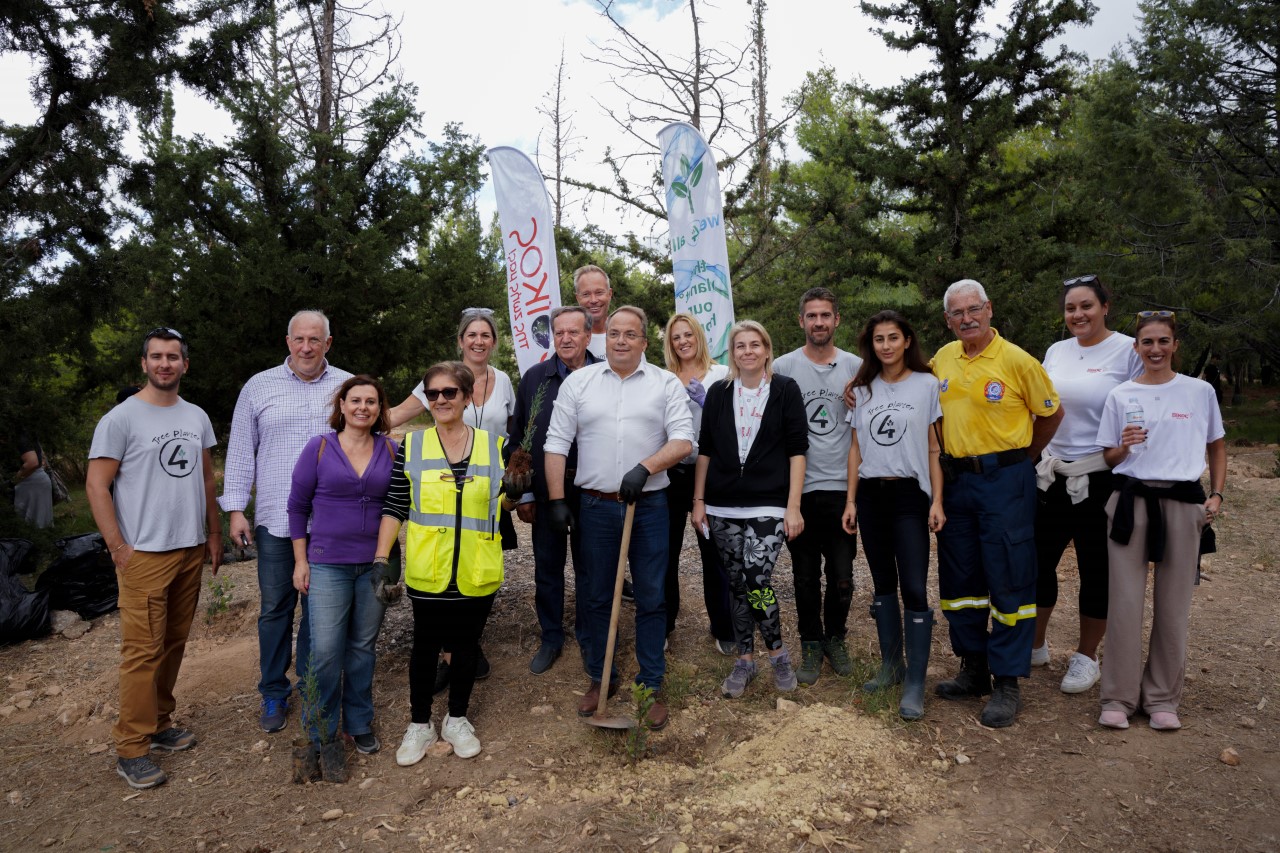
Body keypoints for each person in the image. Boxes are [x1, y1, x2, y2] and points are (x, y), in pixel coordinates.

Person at [543, 306, 693, 729]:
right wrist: (557, 499)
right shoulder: (579, 382)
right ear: (602, 338)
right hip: (595, 506)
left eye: (631, 335)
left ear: (644, 342)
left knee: (651, 595)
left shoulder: (665, 384)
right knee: (595, 595)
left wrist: (645, 467)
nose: (621, 341)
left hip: (649, 507)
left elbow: (683, 439)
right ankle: (599, 677)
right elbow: (556, 444)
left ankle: (649, 685)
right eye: (614, 334)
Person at [85, 327, 220, 789]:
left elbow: (204, 480)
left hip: (188, 549)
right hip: (143, 553)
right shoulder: (121, 419)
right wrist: (117, 547)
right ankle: (131, 747)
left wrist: (213, 533)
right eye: (157, 357)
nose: (165, 364)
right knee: (141, 652)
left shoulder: (196, 416)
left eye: (174, 357)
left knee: (174, 643)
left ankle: (161, 723)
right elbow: (96, 485)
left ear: (185, 364)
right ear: (143, 364)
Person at [931, 279, 1063, 728]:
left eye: (973, 310)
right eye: (957, 314)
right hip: (956, 483)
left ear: (989, 309)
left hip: (1006, 482)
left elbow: (1050, 414)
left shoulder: (1017, 360)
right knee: (961, 577)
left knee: (1010, 576)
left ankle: (1007, 679)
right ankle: (973, 667)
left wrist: (1022, 460)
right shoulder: (943, 359)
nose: (966, 319)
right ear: (947, 320)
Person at [376, 362, 516, 765]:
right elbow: (396, 505)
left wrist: (517, 492)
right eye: (432, 394)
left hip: (477, 566)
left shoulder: (496, 446)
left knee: (466, 644)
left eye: (449, 393)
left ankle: (457, 718)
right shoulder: (413, 446)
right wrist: (380, 560)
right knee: (424, 645)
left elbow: (503, 503)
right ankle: (419, 724)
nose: (440, 400)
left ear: (466, 397)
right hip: (430, 567)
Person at [220, 310, 353, 734]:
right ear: (288, 341)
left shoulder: (346, 386)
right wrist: (236, 508)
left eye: (315, 340)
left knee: (321, 612)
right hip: (277, 519)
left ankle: (313, 686)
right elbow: (241, 450)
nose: (307, 347)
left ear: (328, 343)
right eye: (299, 339)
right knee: (276, 608)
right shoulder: (259, 387)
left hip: (331, 522)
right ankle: (274, 691)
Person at [1096, 311, 1225, 731]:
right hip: (1131, 499)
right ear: (1136, 347)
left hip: (1182, 502)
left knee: (1173, 606)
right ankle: (1118, 696)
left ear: (1174, 346)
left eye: (1163, 341)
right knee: (1125, 602)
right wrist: (1123, 446)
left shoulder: (1199, 391)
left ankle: (1162, 698)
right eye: (1147, 342)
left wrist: (1218, 493)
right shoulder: (1121, 395)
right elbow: (1108, 457)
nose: (1155, 349)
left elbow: (1216, 446)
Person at [388, 308, 512, 688]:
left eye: (485, 335)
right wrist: (357, 429)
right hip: (442, 490)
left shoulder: (504, 381)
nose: (478, 341)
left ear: (493, 341)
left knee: (477, 573)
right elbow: (393, 416)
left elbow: (515, 429)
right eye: (471, 335)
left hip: (485, 492)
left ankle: (467, 643)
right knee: (445, 567)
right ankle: (447, 655)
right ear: (460, 340)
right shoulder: (441, 380)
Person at [1032, 275, 1142, 694]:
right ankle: (1036, 644)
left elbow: (1145, 401)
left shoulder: (1127, 350)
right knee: (1039, 562)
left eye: (1086, 306)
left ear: (1105, 306)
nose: (1078, 315)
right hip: (1053, 473)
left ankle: (1085, 657)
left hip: (1103, 475)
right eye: (1071, 308)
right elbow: (1039, 404)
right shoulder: (1057, 351)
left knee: (1096, 569)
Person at [287, 375, 398, 771]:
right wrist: (301, 561)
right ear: (342, 405)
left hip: (375, 562)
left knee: (362, 647)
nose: (363, 407)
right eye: (356, 400)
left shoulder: (391, 449)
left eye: (371, 401)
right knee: (325, 651)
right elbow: (297, 507)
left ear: (380, 409)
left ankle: (358, 720)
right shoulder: (319, 448)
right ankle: (320, 730)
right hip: (327, 562)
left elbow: (400, 503)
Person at [692, 320, 807, 698]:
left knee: (757, 580)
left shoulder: (785, 390)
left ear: (767, 350)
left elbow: (797, 452)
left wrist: (793, 507)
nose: (747, 351)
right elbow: (705, 449)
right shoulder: (719, 392)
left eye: (755, 344)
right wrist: (699, 502)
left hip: (769, 504)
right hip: (723, 505)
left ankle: (777, 653)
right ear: (732, 353)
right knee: (737, 584)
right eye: (740, 346)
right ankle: (745, 659)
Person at [840, 311, 945, 720]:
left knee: (914, 586)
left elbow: (935, 449)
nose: (886, 346)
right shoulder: (862, 390)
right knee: (882, 582)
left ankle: (916, 681)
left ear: (907, 341)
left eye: (893, 338)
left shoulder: (927, 385)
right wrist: (850, 501)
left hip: (910, 496)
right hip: (870, 495)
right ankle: (891, 665)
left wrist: (937, 501)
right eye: (878, 339)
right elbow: (855, 448)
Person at [773, 287, 862, 685]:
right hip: (800, 492)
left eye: (826, 315)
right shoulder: (783, 368)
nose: (819, 323)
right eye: (812, 316)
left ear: (837, 320)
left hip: (843, 490)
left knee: (843, 576)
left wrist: (855, 497)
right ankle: (810, 642)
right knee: (804, 576)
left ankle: (836, 638)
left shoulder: (858, 368)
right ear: (801, 321)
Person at [508, 306, 600, 674]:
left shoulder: (606, 375)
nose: (564, 338)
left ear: (588, 336)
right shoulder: (535, 378)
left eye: (573, 332)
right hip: (547, 491)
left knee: (592, 567)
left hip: (594, 490)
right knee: (547, 567)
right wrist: (526, 494)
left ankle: (589, 634)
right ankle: (551, 637)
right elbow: (518, 441)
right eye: (558, 332)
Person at [662, 313, 734, 654]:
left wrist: (713, 404)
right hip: (673, 474)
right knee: (666, 552)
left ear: (699, 337)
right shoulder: (663, 379)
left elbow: (740, 421)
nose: (683, 341)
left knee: (714, 553)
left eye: (688, 334)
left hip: (713, 474)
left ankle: (723, 626)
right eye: (676, 337)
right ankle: (663, 624)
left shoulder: (722, 374)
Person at [13, 432, 53, 529]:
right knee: (38, 526)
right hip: (37, 481)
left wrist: (12, 481)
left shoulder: (19, 435)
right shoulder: (28, 433)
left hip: (31, 483)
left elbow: (32, 462)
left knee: (34, 527)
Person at [573, 264, 614, 359]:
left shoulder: (628, 337)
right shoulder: (564, 342)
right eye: (586, 294)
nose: (593, 300)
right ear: (578, 298)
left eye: (599, 292)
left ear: (610, 294)